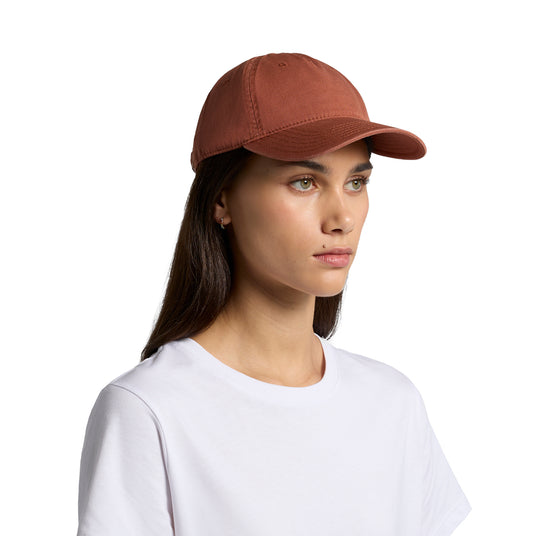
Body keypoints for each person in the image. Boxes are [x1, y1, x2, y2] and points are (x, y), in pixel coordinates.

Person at [76, 53, 472, 535]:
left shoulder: (393, 403)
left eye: (356, 182)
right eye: (304, 182)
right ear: (221, 199)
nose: (342, 218)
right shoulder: (150, 410)